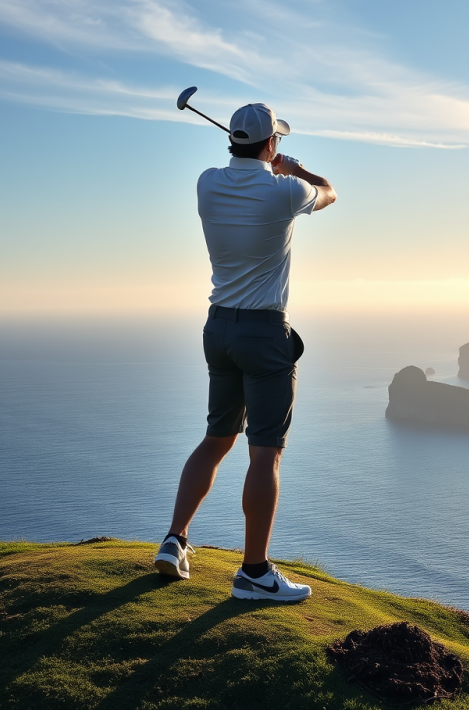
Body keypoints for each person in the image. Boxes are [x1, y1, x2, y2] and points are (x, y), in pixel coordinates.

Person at [154, 102, 337, 602]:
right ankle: (254, 572)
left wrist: (267, 160)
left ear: (231, 140)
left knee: (215, 439)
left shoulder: (206, 183)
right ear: (271, 143)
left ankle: (175, 541)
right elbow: (331, 193)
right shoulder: (285, 191)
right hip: (263, 335)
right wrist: (295, 168)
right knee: (265, 453)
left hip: (219, 330)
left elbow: (241, 165)